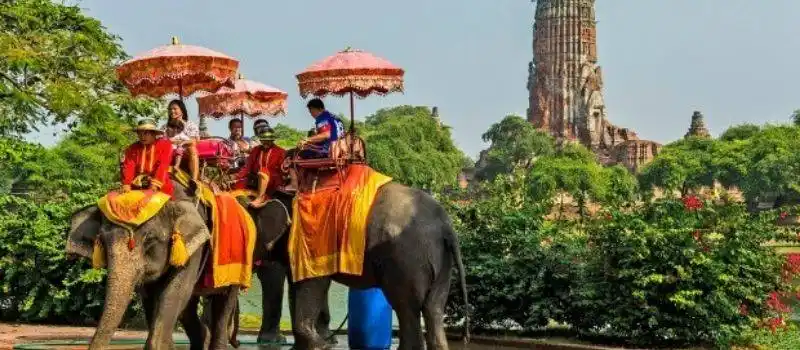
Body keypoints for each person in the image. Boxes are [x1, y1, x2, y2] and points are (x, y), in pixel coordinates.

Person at [234, 127, 286, 208]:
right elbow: (248, 166)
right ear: (261, 140)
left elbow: (283, 170)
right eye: (263, 140)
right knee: (237, 186)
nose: (266, 142)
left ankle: (261, 197)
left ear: (272, 140)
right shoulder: (256, 150)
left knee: (263, 171)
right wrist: (236, 177)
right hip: (256, 179)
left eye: (268, 140)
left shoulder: (280, 151)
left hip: (274, 181)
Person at [121, 119, 175, 197]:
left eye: (146, 133)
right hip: (137, 182)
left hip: (159, 181)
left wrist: (155, 184)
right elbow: (129, 166)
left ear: (154, 134)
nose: (142, 137)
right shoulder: (132, 148)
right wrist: (127, 183)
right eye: (140, 134)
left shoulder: (165, 145)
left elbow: (163, 166)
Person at [165, 99, 200, 182]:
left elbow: (194, 141)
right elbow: (161, 140)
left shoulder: (190, 125)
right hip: (168, 150)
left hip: (185, 150)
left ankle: (194, 180)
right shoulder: (165, 127)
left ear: (182, 110)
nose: (172, 111)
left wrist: (181, 142)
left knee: (192, 148)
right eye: (170, 109)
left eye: (175, 109)